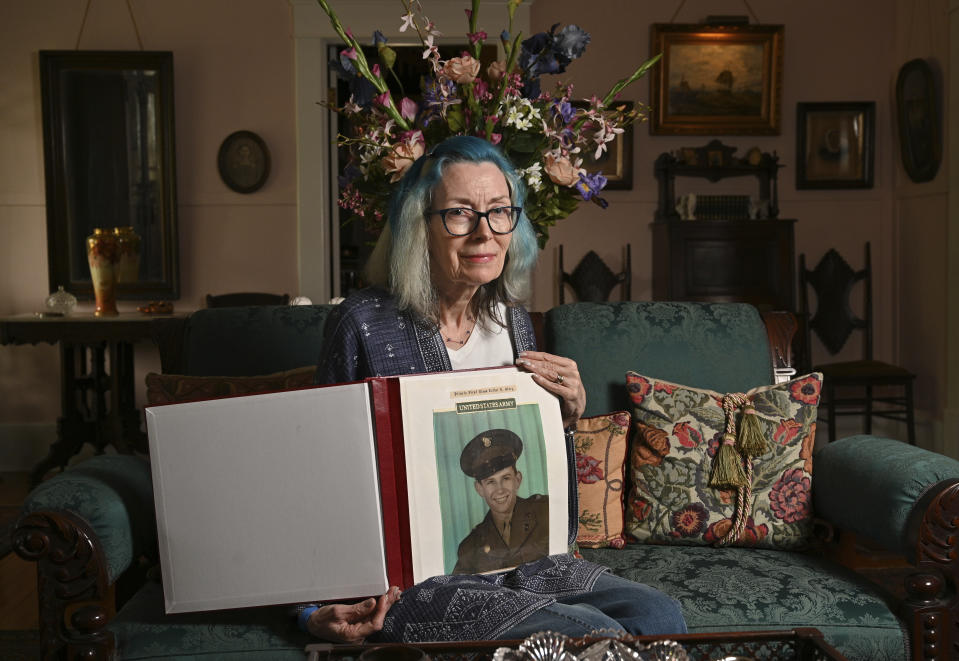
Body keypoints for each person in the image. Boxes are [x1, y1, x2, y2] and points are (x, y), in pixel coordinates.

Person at [304, 135, 686, 644]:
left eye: (499, 211)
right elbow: (314, 474)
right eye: (460, 213)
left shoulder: (512, 322)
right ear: (420, 226)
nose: (484, 232)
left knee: (659, 616)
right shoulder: (363, 323)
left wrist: (566, 423)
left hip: (528, 563)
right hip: (422, 582)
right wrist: (310, 609)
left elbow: (554, 502)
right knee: (595, 636)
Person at [453, 428, 549, 575]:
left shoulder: (546, 511)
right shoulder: (470, 547)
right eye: (491, 482)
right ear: (479, 489)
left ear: (517, 480)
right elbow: (459, 589)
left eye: (506, 478)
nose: (500, 490)